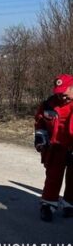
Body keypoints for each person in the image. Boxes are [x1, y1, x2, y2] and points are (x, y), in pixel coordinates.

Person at [34, 74, 73, 222]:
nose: (61, 96)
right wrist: (40, 138)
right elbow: (40, 124)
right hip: (55, 147)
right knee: (53, 177)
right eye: (58, 92)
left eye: (64, 93)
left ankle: (69, 204)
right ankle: (48, 205)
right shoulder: (48, 105)